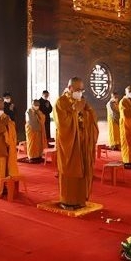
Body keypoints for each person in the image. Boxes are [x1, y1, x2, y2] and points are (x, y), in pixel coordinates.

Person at [54, 77, 99, 210]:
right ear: (70, 88)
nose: (80, 92)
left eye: (82, 90)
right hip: (69, 144)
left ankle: (80, 200)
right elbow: (62, 124)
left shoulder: (80, 101)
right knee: (70, 171)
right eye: (77, 89)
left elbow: (91, 116)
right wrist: (75, 111)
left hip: (82, 143)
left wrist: (86, 112)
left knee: (82, 171)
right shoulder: (61, 102)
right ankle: (67, 200)